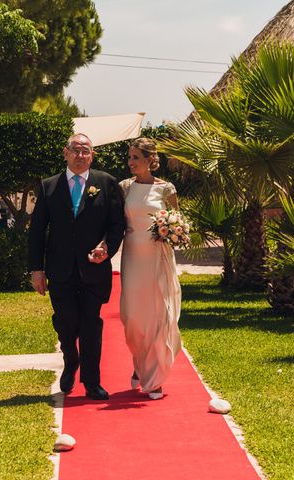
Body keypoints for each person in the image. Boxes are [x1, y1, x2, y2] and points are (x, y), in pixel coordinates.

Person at [28, 133, 126, 401]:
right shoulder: (49, 186)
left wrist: (106, 248)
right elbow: (37, 230)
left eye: (86, 151)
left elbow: (116, 224)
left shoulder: (105, 183)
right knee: (66, 323)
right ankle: (71, 359)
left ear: (92, 155)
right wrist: (37, 269)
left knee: (90, 325)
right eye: (76, 150)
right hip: (60, 270)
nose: (80, 155)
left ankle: (92, 382)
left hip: (94, 270)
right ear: (65, 153)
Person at [119, 138, 182, 400]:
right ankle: (138, 362)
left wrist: (173, 231)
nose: (131, 162)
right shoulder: (124, 187)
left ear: (149, 160)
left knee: (158, 315)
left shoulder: (167, 189)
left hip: (158, 256)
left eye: (136, 157)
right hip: (133, 256)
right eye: (130, 157)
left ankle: (153, 379)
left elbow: (179, 220)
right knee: (133, 317)